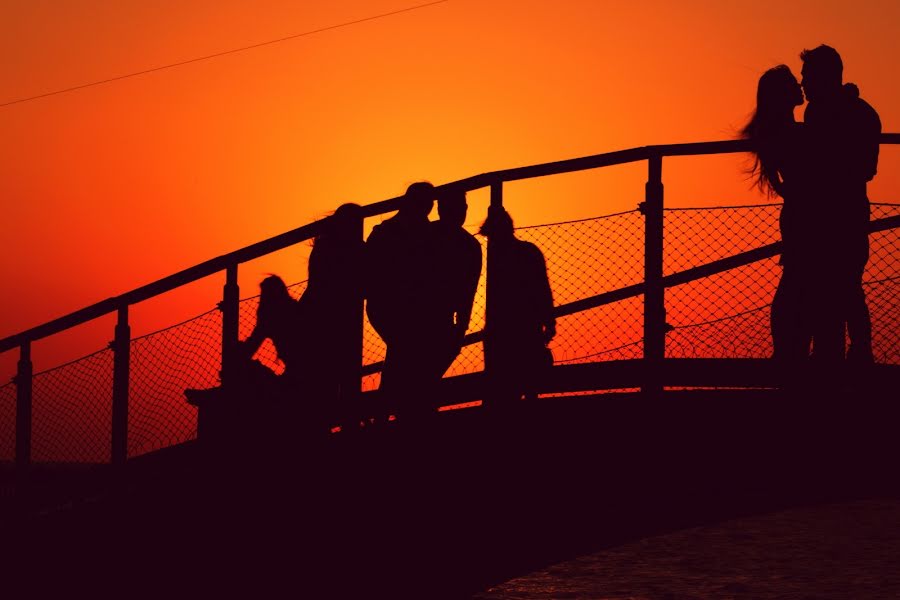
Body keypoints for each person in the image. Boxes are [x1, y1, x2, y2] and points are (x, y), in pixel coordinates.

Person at [799, 44, 881, 366]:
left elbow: (852, 167)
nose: (803, 82)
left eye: (807, 75)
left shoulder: (821, 112)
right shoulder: (862, 112)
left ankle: (836, 357)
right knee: (848, 287)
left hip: (830, 216)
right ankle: (857, 354)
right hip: (849, 212)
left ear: (822, 76)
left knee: (834, 286)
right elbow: (868, 169)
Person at [740, 65, 813, 364]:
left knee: (799, 282)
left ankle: (790, 352)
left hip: (799, 212)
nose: (800, 87)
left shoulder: (783, 132)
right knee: (800, 283)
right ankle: (789, 352)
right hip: (805, 214)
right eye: (794, 84)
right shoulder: (789, 133)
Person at [364, 181, 442, 421]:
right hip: (393, 306)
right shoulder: (392, 231)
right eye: (426, 203)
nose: (429, 208)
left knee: (402, 353)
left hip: (397, 307)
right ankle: (394, 410)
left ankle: (388, 410)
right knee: (405, 352)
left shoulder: (389, 230)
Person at [480, 206, 556, 406]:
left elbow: (541, 287)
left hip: (506, 331)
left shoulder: (501, 259)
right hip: (525, 328)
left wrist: (548, 320)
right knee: (527, 386)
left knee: (505, 390)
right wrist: (549, 320)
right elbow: (543, 288)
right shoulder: (529, 252)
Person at [302, 203, 365, 429]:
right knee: (334, 374)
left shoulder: (325, 246)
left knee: (327, 375)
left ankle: (326, 426)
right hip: (330, 319)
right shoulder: (343, 249)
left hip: (321, 316)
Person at [429, 187, 483, 378]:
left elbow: (469, 290)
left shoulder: (470, 246)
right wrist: (461, 327)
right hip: (417, 317)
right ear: (440, 209)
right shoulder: (469, 246)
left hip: (438, 320)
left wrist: (461, 327)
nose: (458, 212)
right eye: (453, 207)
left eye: (460, 207)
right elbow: (469, 291)